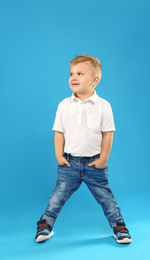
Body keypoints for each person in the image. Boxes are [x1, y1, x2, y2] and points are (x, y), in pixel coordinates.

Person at [35, 54, 132, 244]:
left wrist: (103, 159)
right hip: (69, 163)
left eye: (80, 73)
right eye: (71, 73)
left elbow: (108, 134)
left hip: (94, 163)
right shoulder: (64, 105)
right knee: (57, 196)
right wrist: (58, 155)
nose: (73, 77)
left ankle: (118, 226)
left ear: (95, 80)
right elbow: (59, 132)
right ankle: (45, 224)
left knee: (106, 197)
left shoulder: (103, 106)